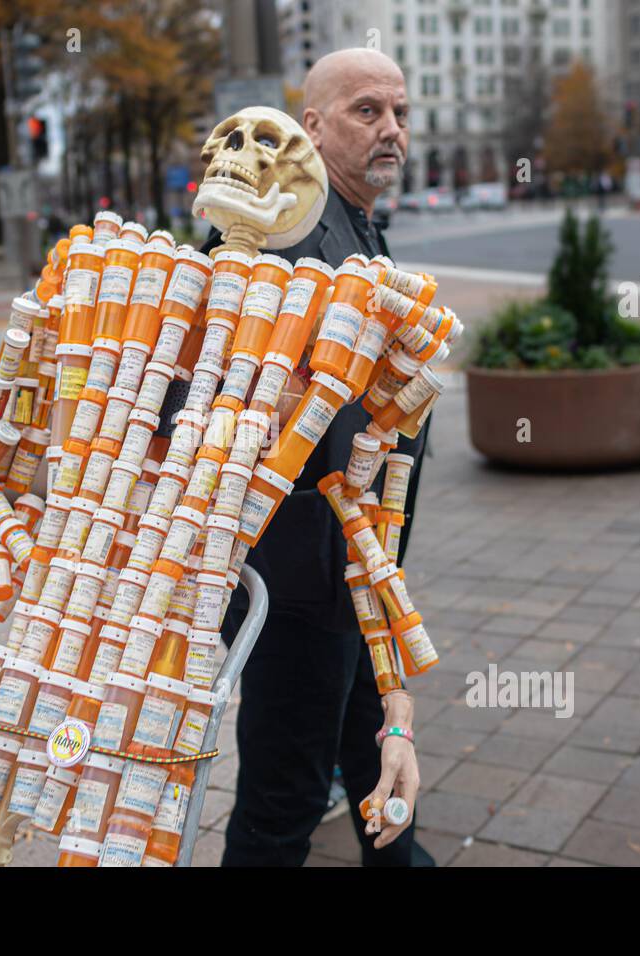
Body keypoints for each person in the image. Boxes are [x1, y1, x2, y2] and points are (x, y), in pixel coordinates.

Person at [202, 48, 432, 867]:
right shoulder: (283, 227)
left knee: (372, 752)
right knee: (281, 801)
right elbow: (217, 381)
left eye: (399, 112)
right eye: (367, 111)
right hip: (300, 574)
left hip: (355, 569)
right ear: (311, 127)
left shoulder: (361, 220)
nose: (392, 130)